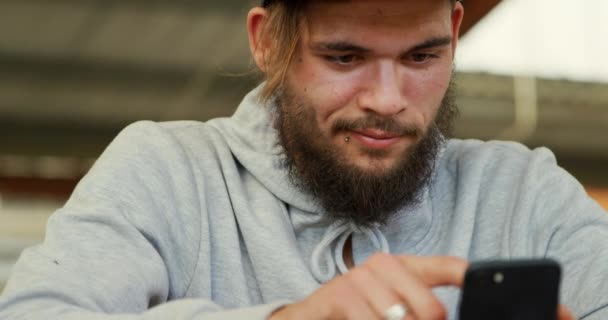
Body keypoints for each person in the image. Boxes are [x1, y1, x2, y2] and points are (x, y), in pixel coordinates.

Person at [1, 0, 607, 319]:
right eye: (344, 58)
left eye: (422, 58)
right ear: (267, 41)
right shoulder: (165, 170)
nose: (388, 101)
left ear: (452, 31)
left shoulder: (525, 190)